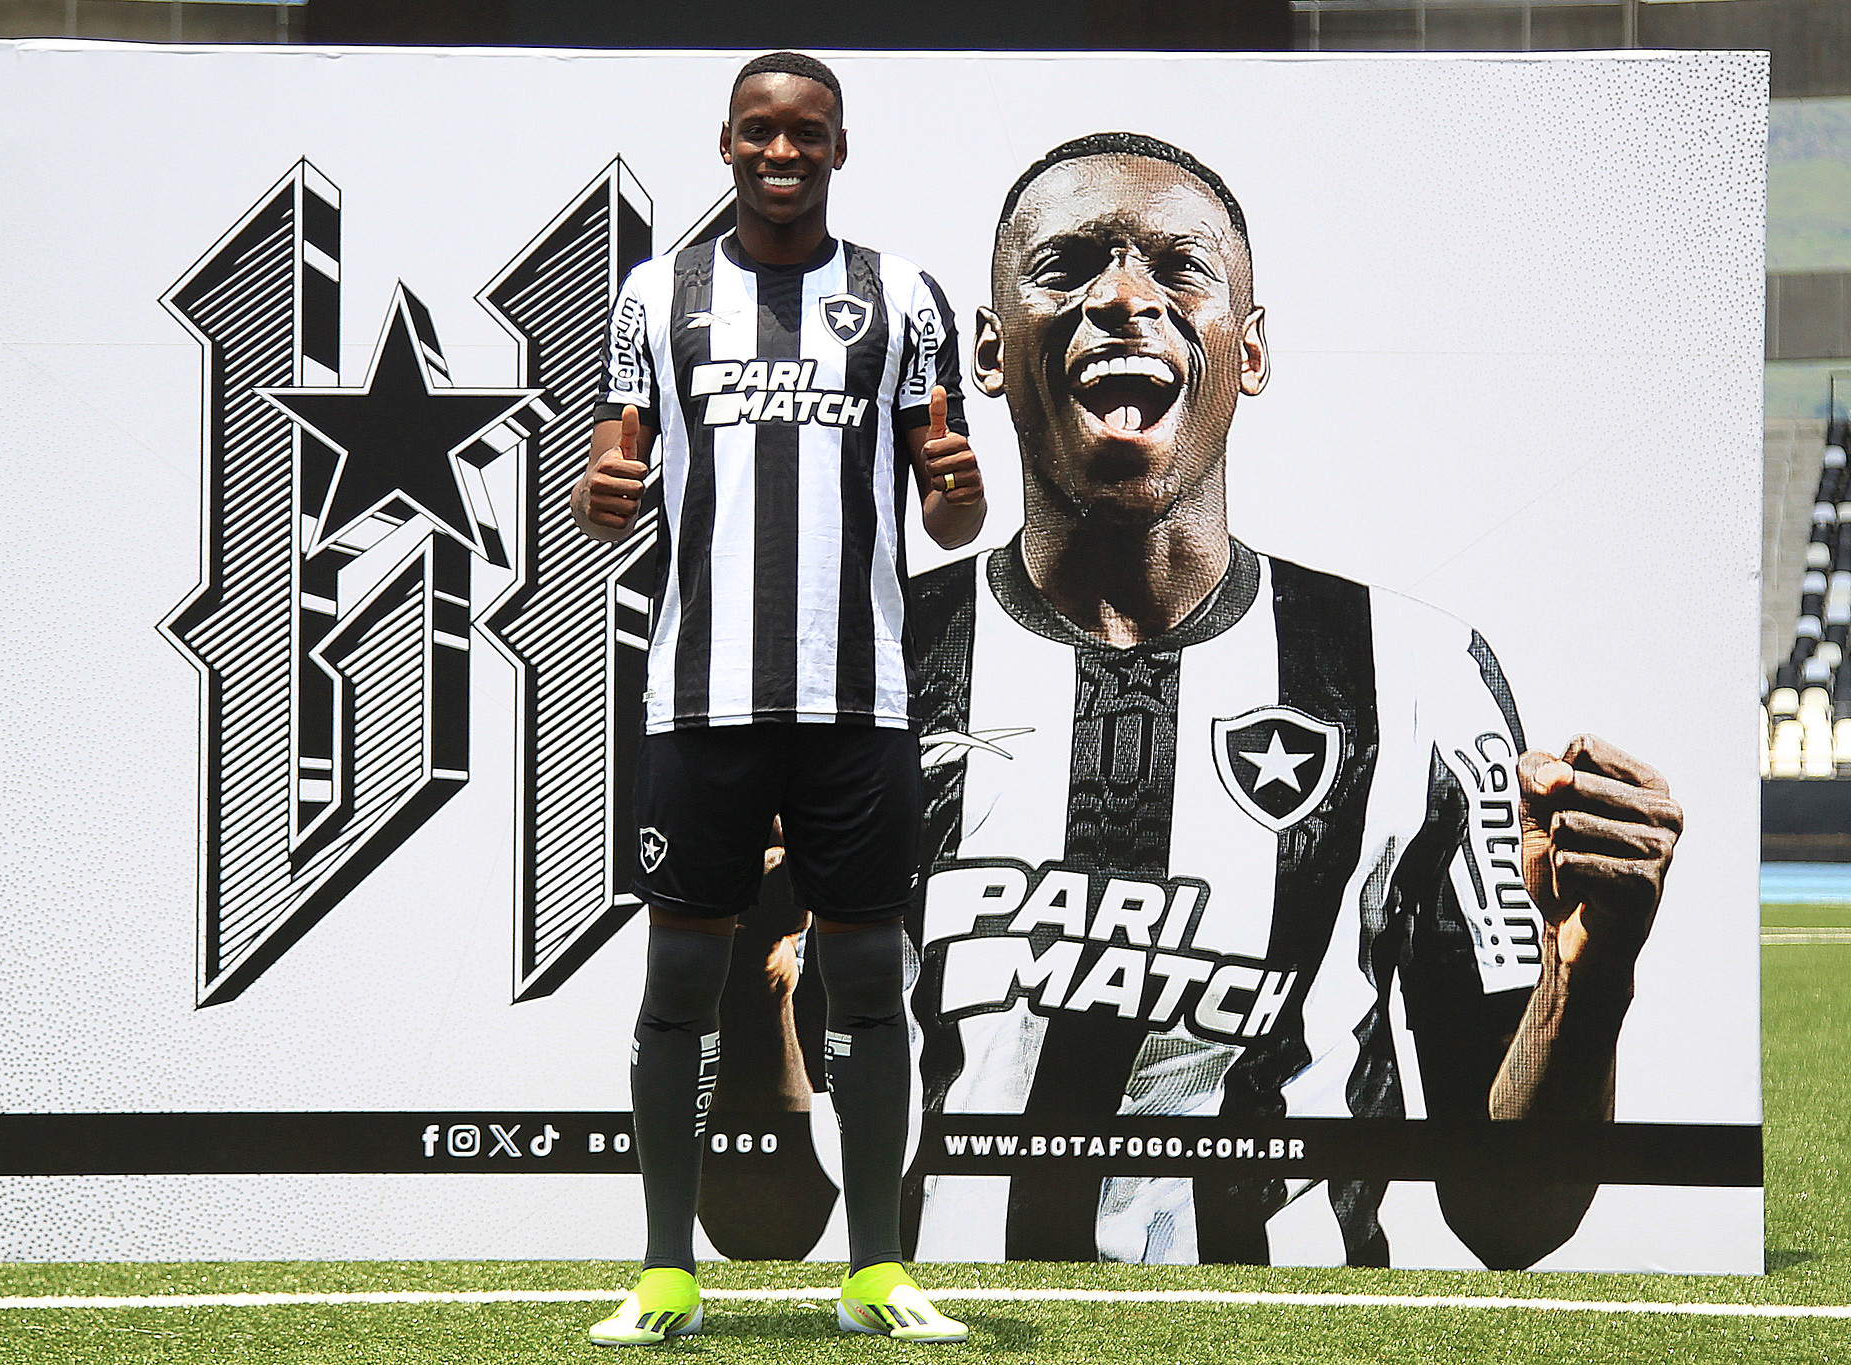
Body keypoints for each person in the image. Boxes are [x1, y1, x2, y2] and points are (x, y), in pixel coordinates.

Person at [904, 132, 1684, 1269]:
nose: (1123, 296)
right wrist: (750, 970)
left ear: (1249, 351)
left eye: (1178, 268)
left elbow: (1509, 1216)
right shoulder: (875, 673)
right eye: (1066, 264)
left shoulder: (1417, 677)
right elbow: (751, 1217)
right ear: (988, 347)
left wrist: (1588, 968)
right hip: (958, 1340)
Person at [570, 52, 986, 1344]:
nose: (782, 153)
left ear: (840, 150)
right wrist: (599, 499)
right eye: (760, 133)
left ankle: (872, 1270)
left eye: (806, 135)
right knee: (680, 982)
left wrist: (962, 497)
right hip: (699, 706)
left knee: (867, 977)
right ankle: (662, 1273)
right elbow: (610, 475)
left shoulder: (899, 295)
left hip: (857, 705)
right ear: (726, 144)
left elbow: (950, 500)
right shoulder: (658, 298)